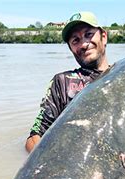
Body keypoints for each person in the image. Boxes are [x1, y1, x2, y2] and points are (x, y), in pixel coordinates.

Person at [25, 12, 110, 153]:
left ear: (104, 36)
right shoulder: (62, 82)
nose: (83, 44)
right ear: (71, 48)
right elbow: (34, 137)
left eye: (88, 34)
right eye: (75, 40)